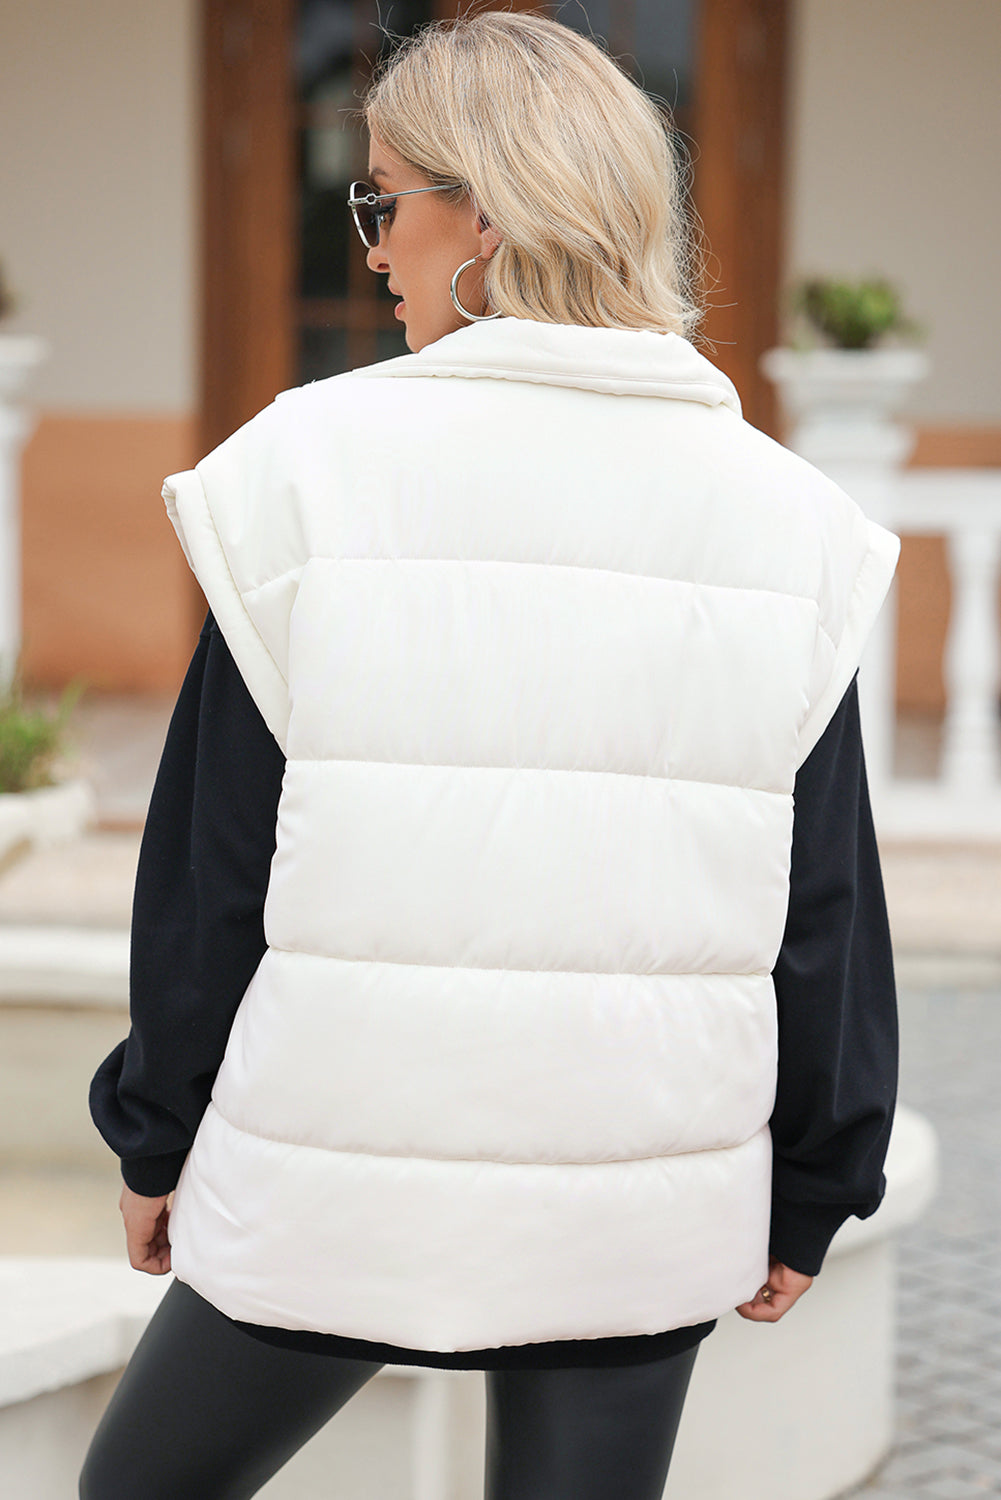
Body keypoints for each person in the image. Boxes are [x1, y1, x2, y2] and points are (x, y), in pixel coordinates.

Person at [80, 12, 899, 1499]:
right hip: (636, 1188)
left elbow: (212, 862)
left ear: (490, 219)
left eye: (383, 202)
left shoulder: (304, 472)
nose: (370, 251)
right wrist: (818, 1179)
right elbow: (823, 900)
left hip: (336, 1169)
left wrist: (157, 1134)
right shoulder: (787, 518)